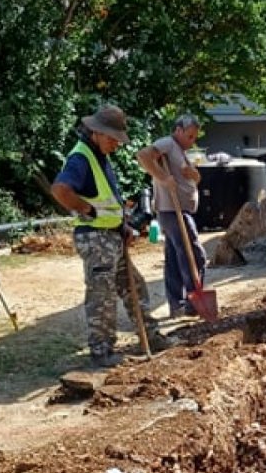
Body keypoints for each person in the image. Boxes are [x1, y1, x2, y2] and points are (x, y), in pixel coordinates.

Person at [51, 104, 173, 368]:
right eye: (114, 139)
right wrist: (87, 210)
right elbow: (60, 190)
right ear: (96, 132)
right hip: (96, 239)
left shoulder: (98, 156)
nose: (117, 144)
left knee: (134, 287)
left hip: (110, 235)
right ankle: (102, 350)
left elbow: (108, 200)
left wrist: (122, 227)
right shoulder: (80, 158)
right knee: (102, 295)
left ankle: (149, 336)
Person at [136, 114, 206, 318]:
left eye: (195, 137)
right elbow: (143, 156)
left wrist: (194, 174)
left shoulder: (180, 151)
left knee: (175, 259)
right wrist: (164, 178)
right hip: (172, 210)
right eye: (190, 136)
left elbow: (194, 178)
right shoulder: (167, 143)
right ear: (178, 131)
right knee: (193, 254)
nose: (192, 142)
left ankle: (178, 304)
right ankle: (194, 300)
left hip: (178, 210)